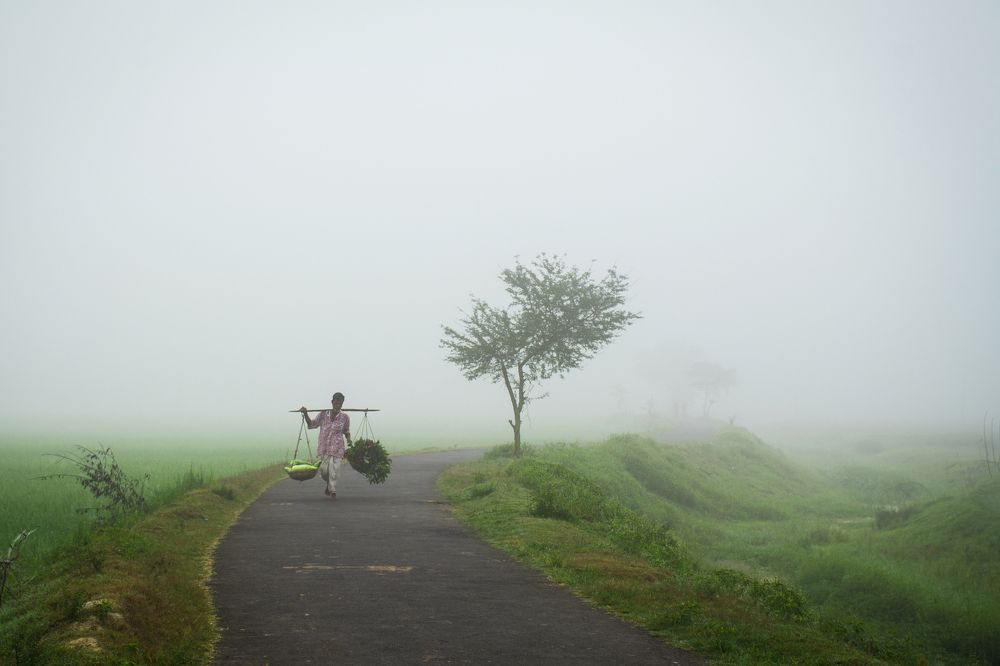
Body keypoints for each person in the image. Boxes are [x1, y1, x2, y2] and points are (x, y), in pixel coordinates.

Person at [298, 392, 352, 498]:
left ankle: (332, 490)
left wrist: (349, 439)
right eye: (336, 403)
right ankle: (329, 484)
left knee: (334, 470)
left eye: (340, 404)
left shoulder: (345, 417)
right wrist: (305, 414)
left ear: (342, 404)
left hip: (337, 448)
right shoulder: (323, 414)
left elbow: (346, 431)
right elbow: (312, 424)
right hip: (324, 448)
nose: (338, 405)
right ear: (332, 402)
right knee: (324, 471)